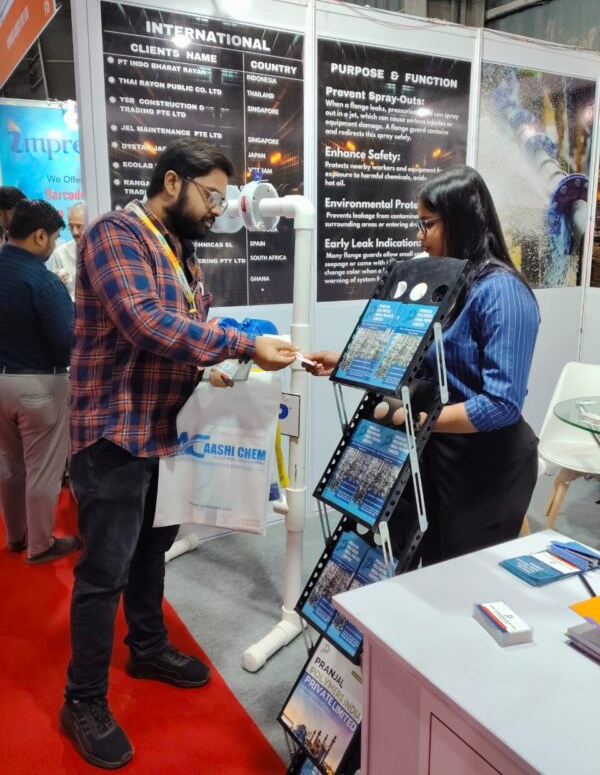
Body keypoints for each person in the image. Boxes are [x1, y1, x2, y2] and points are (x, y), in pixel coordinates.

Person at [60, 139, 298, 770]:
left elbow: (180, 339)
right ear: (173, 182)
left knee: (151, 553)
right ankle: (82, 699)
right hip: (113, 433)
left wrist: (213, 366)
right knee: (104, 571)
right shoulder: (116, 234)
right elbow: (143, 322)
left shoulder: (183, 253)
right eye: (212, 195)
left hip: (164, 432)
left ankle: (146, 647)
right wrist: (241, 346)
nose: (219, 209)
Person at [307, 165, 540, 566]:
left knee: (465, 573)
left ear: (460, 220)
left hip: (488, 461)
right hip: (439, 451)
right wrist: (346, 362)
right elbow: (422, 361)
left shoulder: (501, 292)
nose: (420, 236)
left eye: (427, 224)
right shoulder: (454, 284)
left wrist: (419, 421)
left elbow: (501, 404)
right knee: (431, 566)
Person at [0, 200, 79, 563]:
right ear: (39, 236)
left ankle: (16, 537)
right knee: (43, 470)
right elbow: (66, 342)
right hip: (39, 386)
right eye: (56, 237)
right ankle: (41, 545)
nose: (55, 245)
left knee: (9, 466)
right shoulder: (44, 281)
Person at [46, 201, 86, 299]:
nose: (75, 232)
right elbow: (51, 292)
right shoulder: (60, 254)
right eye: (71, 226)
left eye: (79, 226)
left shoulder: (102, 251)